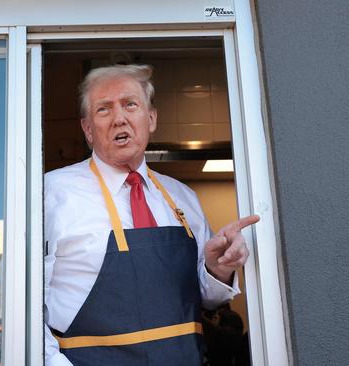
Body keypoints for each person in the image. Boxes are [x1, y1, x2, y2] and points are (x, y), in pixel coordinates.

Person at [43, 64, 260, 366]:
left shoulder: (183, 197)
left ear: (151, 119)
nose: (119, 118)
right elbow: (25, 307)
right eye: (103, 110)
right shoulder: (51, 193)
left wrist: (216, 269)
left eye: (130, 104)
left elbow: (205, 300)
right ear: (87, 130)